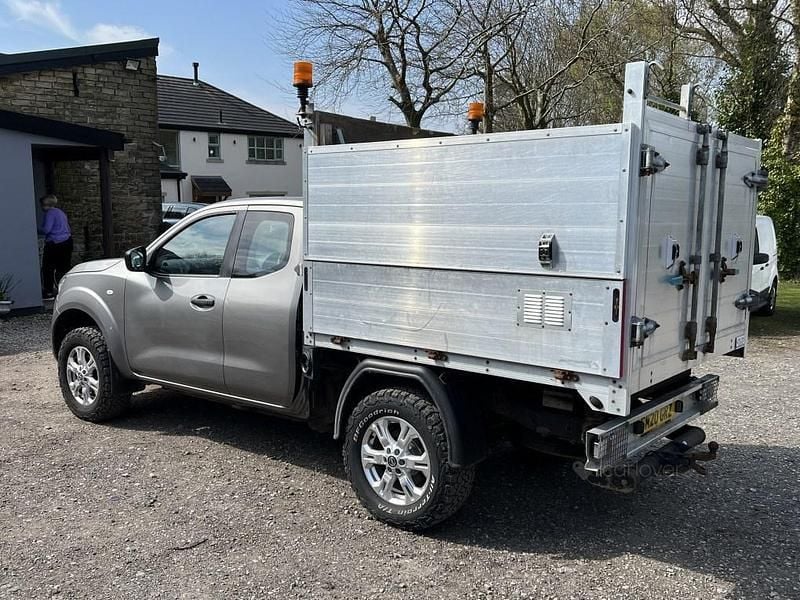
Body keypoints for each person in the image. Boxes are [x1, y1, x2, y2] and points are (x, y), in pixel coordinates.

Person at [38, 194, 73, 299]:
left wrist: (35, 229)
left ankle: (48, 292)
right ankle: (65, 290)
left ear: (45, 205)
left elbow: (47, 230)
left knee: (47, 268)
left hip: (54, 243)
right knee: (63, 268)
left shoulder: (50, 213)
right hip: (67, 241)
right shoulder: (61, 212)